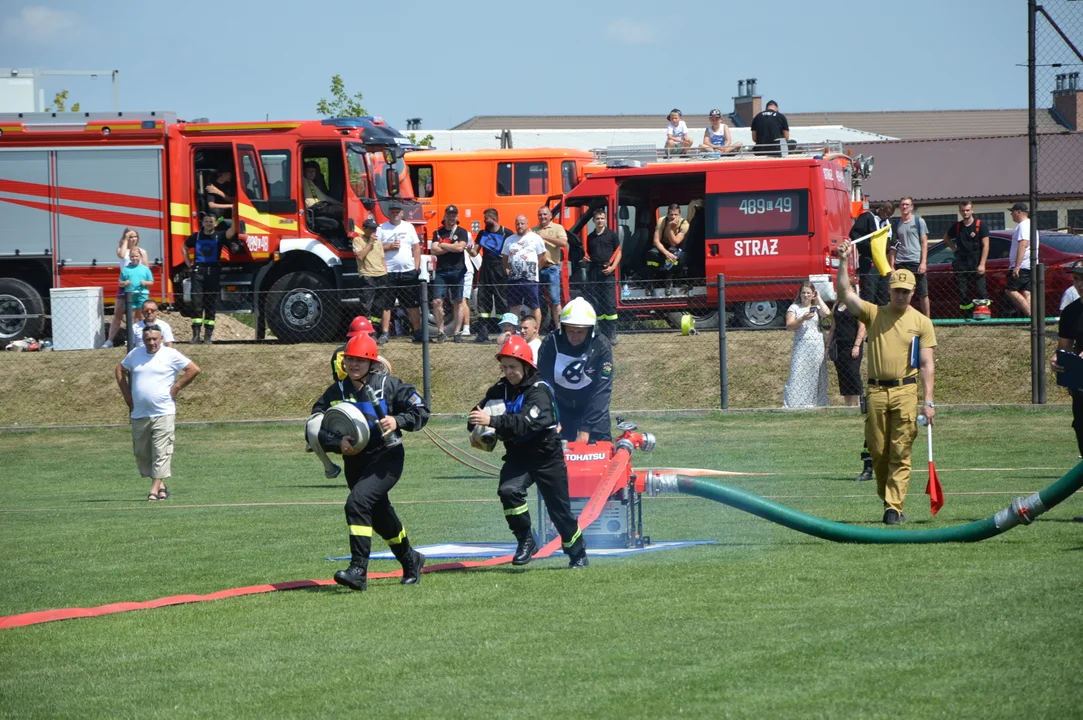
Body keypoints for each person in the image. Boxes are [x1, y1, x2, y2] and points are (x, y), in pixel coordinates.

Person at [311, 333, 430, 591]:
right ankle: (411, 559)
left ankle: (358, 570)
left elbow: (421, 410)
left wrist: (398, 421)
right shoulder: (336, 391)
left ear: (372, 362)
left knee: (357, 503)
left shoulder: (389, 385)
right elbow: (315, 427)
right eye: (350, 360)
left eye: (360, 360)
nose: (354, 365)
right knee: (380, 516)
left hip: (387, 458)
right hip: (355, 463)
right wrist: (336, 442)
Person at [837, 239, 937, 525]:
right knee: (879, 453)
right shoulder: (874, 313)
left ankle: (893, 507)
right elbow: (844, 292)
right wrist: (843, 261)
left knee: (900, 451)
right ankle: (889, 501)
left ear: (913, 292)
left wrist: (928, 401)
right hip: (877, 392)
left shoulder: (921, 322)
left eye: (906, 291)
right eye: (897, 290)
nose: (901, 295)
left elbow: (928, 364)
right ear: (889, 290)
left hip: (907, 391)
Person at [468, 335, 589, 568]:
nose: (509, 372)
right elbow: (477, 412)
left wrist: (492, 420)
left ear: (526, 365)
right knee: (508, 491)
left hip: (547, 456)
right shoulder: (500, 389)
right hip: (518, 456)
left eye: (513, 366)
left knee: (559, 512)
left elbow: (525, 423)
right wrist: (475, 427)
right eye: (504, 367)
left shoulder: (539, 391)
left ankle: (577, 553)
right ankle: (526, 541)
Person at [115, 324, 200, 501]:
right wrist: (127, 397)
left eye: (155, 339)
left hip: (164, 411)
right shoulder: (135, 354)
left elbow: (193, 369)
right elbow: (120, 370)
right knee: (142, 453)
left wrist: (176, 387)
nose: (152, 343)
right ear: (143, 340)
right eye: (148, 339)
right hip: (139, 413)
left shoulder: (170, 354)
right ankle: (161, 486)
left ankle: (153, 490)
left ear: (161, 339)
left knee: (161, 452)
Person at [537, 296, 614, 443]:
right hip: (561, 406)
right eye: (571, 331)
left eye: (580, 332)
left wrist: (586, 429)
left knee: (601, 450)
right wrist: (552, 416)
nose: (575, 336)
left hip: (592, 407)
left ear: (590, 330)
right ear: (563, 328)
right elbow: (544, 384)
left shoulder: (601, 345)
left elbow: (603, 390)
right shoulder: (550, 343)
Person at [184, 212, 240, 344]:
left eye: (211, 221)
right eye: (206, 221)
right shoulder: (196, 236)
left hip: (213, 273)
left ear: (215, 223)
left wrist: (235, 215)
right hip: (198, 273)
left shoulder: (219, 236)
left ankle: (208, 336)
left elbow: (232, 231)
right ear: (202, 223)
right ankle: (196, 335)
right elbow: (184, 247)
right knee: (197, 304)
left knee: (210, 304)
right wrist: (188, 263)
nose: (209, 223)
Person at [1052, 261, 1083, 491]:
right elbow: (1064, 348)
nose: (1079, 284)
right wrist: (1057, 361)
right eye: (1076, 279)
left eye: (1082, 279)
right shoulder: (1071, 311)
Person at [378, 203, 423, 343]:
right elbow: (376, 248)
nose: (395, 213)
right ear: (388, 213)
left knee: (413, 304)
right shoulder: (382, 228)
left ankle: (417, 332)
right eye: (392, 211)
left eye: (398, 211)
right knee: (386, 305)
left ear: (402, 213)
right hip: (389, 272)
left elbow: (416, 247)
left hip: (408, 272)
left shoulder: (409, 227)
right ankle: (385, 334)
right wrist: (389, 246)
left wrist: (416, 267)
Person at [782, 282, 830, 408]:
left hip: (817, 344)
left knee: (817, 373)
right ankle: (794, 403)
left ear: (812, 294)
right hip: (802, 344)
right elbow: (789, 326)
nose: (806, 295)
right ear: (800, 294)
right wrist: (802, 318)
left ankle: (817, 402)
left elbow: (827, 313)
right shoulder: (794, 308)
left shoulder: (817, 307)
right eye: (803, 292)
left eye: (808, 293)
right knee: (797, 371)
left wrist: (818, 298)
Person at [469, 208, 513, 343]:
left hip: (500, 269)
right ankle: (483, 333)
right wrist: (469, 250)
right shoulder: (483, 233)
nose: (483, 221)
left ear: (493, 218)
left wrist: (508, 268)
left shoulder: (507, 233)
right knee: (483, 301)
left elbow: (513, 251)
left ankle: (504, 333)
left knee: (502, 302)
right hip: (486, 269)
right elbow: (475, 252)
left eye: (485, 218)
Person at [102, 228, 151, 349]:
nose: (133, 239)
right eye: (130, 237)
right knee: (118, 313)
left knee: (137, 315)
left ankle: (133, 339)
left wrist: (144, 282)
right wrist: (125, 239)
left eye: (135, 237)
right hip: (124, 286)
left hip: (137, 287)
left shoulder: (142, 251)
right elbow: (122, 255)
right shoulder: (121, 249)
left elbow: (146, 268)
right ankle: (109, 340)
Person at [430, 205, 469, 343]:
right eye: (449, 215)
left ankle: (457, 332)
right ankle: (441, 332)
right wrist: (452, 246)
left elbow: (460, 248)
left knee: (458, 302)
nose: (451, 217)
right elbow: (433, 250)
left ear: (457, 217)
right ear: (445, 216)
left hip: (458, 270)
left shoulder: (462, 231)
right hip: (441, 271)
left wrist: (443, 245)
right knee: (437, 302)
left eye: (454, 215)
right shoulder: (438, 232)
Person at [502, 214, 549, 326]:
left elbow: (543, 257)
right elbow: (505, 258)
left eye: (522, 223)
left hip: (530, 279)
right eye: (517, 223)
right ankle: (514, 331)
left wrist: (536, 269)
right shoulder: (509, 240)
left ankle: (535, 330)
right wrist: (508, 269)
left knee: (534, 306)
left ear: (527, 224)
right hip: (514, 279)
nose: (519, 226)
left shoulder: (535, 238)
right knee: (514, 306)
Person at [944, 200, 990, 314]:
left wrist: (982, 264)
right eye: (963, 210)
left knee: (981, 291)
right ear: (960, 211)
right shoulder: (957, 226)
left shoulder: (980, 225)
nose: (965, 213)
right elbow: (946, 238)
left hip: (976, 261)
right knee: (963, 292)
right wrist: (954, 248)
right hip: (962, 263)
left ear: (972, 210)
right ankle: (966, 317)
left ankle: (983, 315)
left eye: (967, 210)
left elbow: (986, 245)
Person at [888, 197, 930, 317]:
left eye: (907, 204)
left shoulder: (919, 221)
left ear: (912, 207)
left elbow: (924, 242)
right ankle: (903, 318)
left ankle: (927, 320)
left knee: (923, 293)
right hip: (901, 263)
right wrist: (892, 266)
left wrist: (923, 262)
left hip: (916, 262)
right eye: (902, 205)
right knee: (902, 293)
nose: (904, 207)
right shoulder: (896, 224)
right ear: (899, 207)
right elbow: (893, 247)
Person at [584, 207, 621, 344]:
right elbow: (589, 254)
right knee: (597, 303)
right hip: (594, 273)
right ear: (593, 221)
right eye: (597, 219)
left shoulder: (612, 235)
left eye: (602, 218)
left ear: (605, 220)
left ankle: (611, 334)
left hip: (608, 273)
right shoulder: (590, 237)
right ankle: (602, 333)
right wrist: (586, 259)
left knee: (609, 303)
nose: (600, 221)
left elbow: (618, 252)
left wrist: (612, 268)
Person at [533, 206, 568, 332]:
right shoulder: (533, 230)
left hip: (552, 268)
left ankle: (559, 329)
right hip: (537, 270)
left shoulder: (557, 228)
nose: (542, 217)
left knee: (555, 300)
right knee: (535, 300)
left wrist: (545, 237)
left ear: (550, 216)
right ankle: (536, 329)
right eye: (540, 215)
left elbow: (564, 243)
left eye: (545, 214)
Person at [353, 217, 389, 337]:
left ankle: (375, 330)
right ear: (364, 229)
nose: (374, 231)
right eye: (371, 228)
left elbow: (382, 258)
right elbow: (360, 256)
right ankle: (366, 332)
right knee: (366, 306)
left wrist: (385, 272)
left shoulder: (378, 241)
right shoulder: (358, 240)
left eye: (375, 228)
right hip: (367, 275)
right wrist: (369, 243)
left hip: (381, 275)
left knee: (378, 307)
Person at [851, 202, 892, 306]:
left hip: (883, 262)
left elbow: (891, 238)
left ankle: (881, 319)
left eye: (889, 215)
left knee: (883, 294)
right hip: (869, 261)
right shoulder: (866, 217)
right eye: (886, 214)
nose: (887, 217)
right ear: (880, 208)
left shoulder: (887, 221)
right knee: (869, 293)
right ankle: (868, 319)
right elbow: (854, 234)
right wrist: (869, 245)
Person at [826, 298, 866, 406]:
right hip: (839, 345)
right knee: (842, 374)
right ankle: (848, 403)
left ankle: (858, 402)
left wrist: (857, 345)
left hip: (852, 344)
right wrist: (828, 347)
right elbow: (833, 328)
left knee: (853, 373)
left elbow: (862, 327)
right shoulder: (836, 306)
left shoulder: (856, 305)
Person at [645, 204, 688, 295]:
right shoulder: (662, 221)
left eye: (676, 215)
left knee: (673, 252)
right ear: (667, 215)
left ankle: (669, 280)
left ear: (680, 215)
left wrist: (671, 229)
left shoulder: (684, 224)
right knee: (652, 254)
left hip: (676, 247)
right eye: (671, 214)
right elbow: (656, 241)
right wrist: (666, 253)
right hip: (662, 245)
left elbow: (674, 242)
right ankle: (650, 282)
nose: (673, 217)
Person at [1006, 202, 1036, 318]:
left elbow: (1023, 244)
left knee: (1010, 290)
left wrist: (1017, 266)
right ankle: (1033, 318)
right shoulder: (1030, 224)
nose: (1011, 215)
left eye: (1012, 212)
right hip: (1029, 265)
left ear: (1019, 212)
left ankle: (1032, 316)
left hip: (1022, 265)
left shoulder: (1023, 225)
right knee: (1026, 292)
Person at [302, 160, 344, 233]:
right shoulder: (302, 180)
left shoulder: (312, 184)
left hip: (323, 207)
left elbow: (327, 198)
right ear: (304, 172)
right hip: (315, 209)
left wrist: (343, 204)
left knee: (342, 214)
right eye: (309, 171)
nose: (312, 173)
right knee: (343, 211)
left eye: (313, 171)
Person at [118, 248, 154, 331]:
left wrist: (145, 283)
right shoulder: (125, 269)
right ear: (130, 257)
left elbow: (151, 282)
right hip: (130, 295)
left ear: (140, 257)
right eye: (132, 256)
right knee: (131, 316)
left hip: (142, 294)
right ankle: (131, 336)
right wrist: (124, 283)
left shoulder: (145, 269)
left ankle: (143, 334)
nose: (134, 258)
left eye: (136, 256)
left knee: (142, 315)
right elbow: (120, 283)